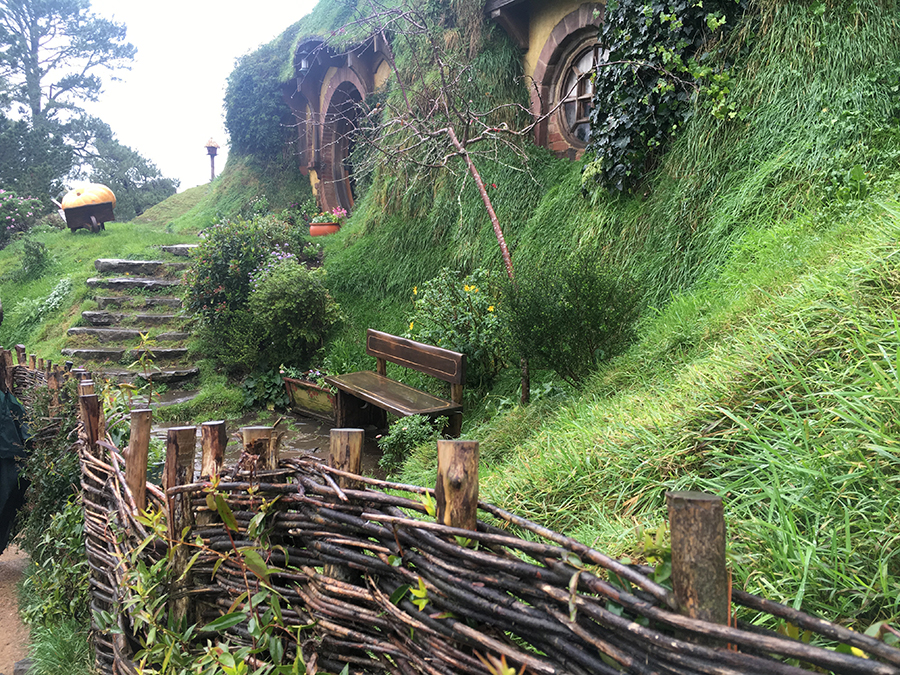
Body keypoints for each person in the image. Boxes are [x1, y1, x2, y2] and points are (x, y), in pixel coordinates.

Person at [0, 377, 30, 555]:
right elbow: (26, 433)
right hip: (9, 461)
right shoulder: (9, 401)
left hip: (8, 462)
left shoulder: (8, 402)